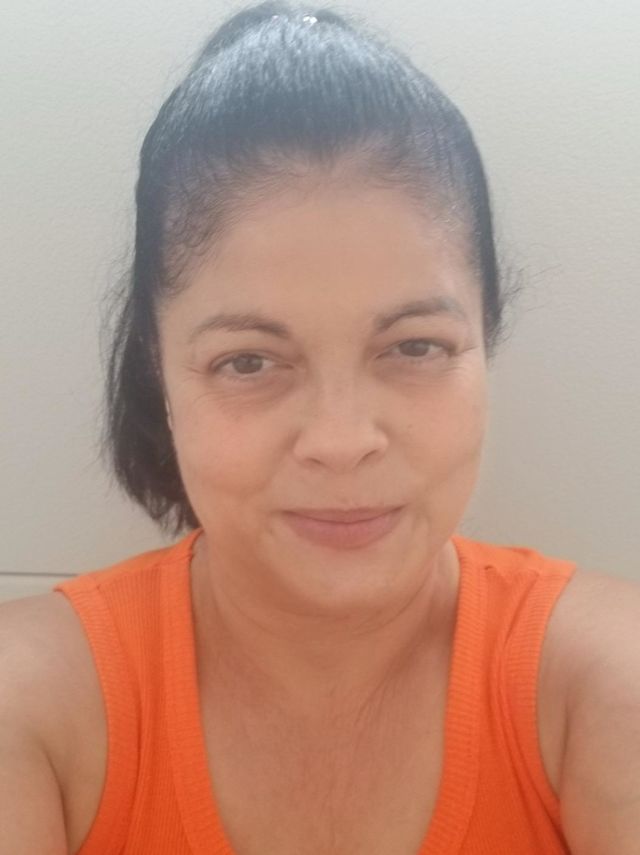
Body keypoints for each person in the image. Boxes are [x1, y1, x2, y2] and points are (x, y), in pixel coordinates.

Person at [1, 2, 638, 853]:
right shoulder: (32, 706)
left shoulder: (605, 683)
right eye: (249, 361)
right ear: (159, 367)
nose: (341, 442)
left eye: (414, 346)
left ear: (486, 338)